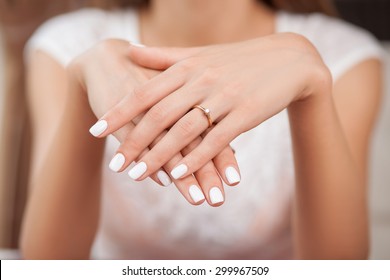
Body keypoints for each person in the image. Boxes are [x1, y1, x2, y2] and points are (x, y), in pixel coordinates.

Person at [20, 0, 383, 259]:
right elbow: (48, 264)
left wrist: (312, 89)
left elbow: (337, 268)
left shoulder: (343, 56)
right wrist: (82, 89)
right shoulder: (70, 45)